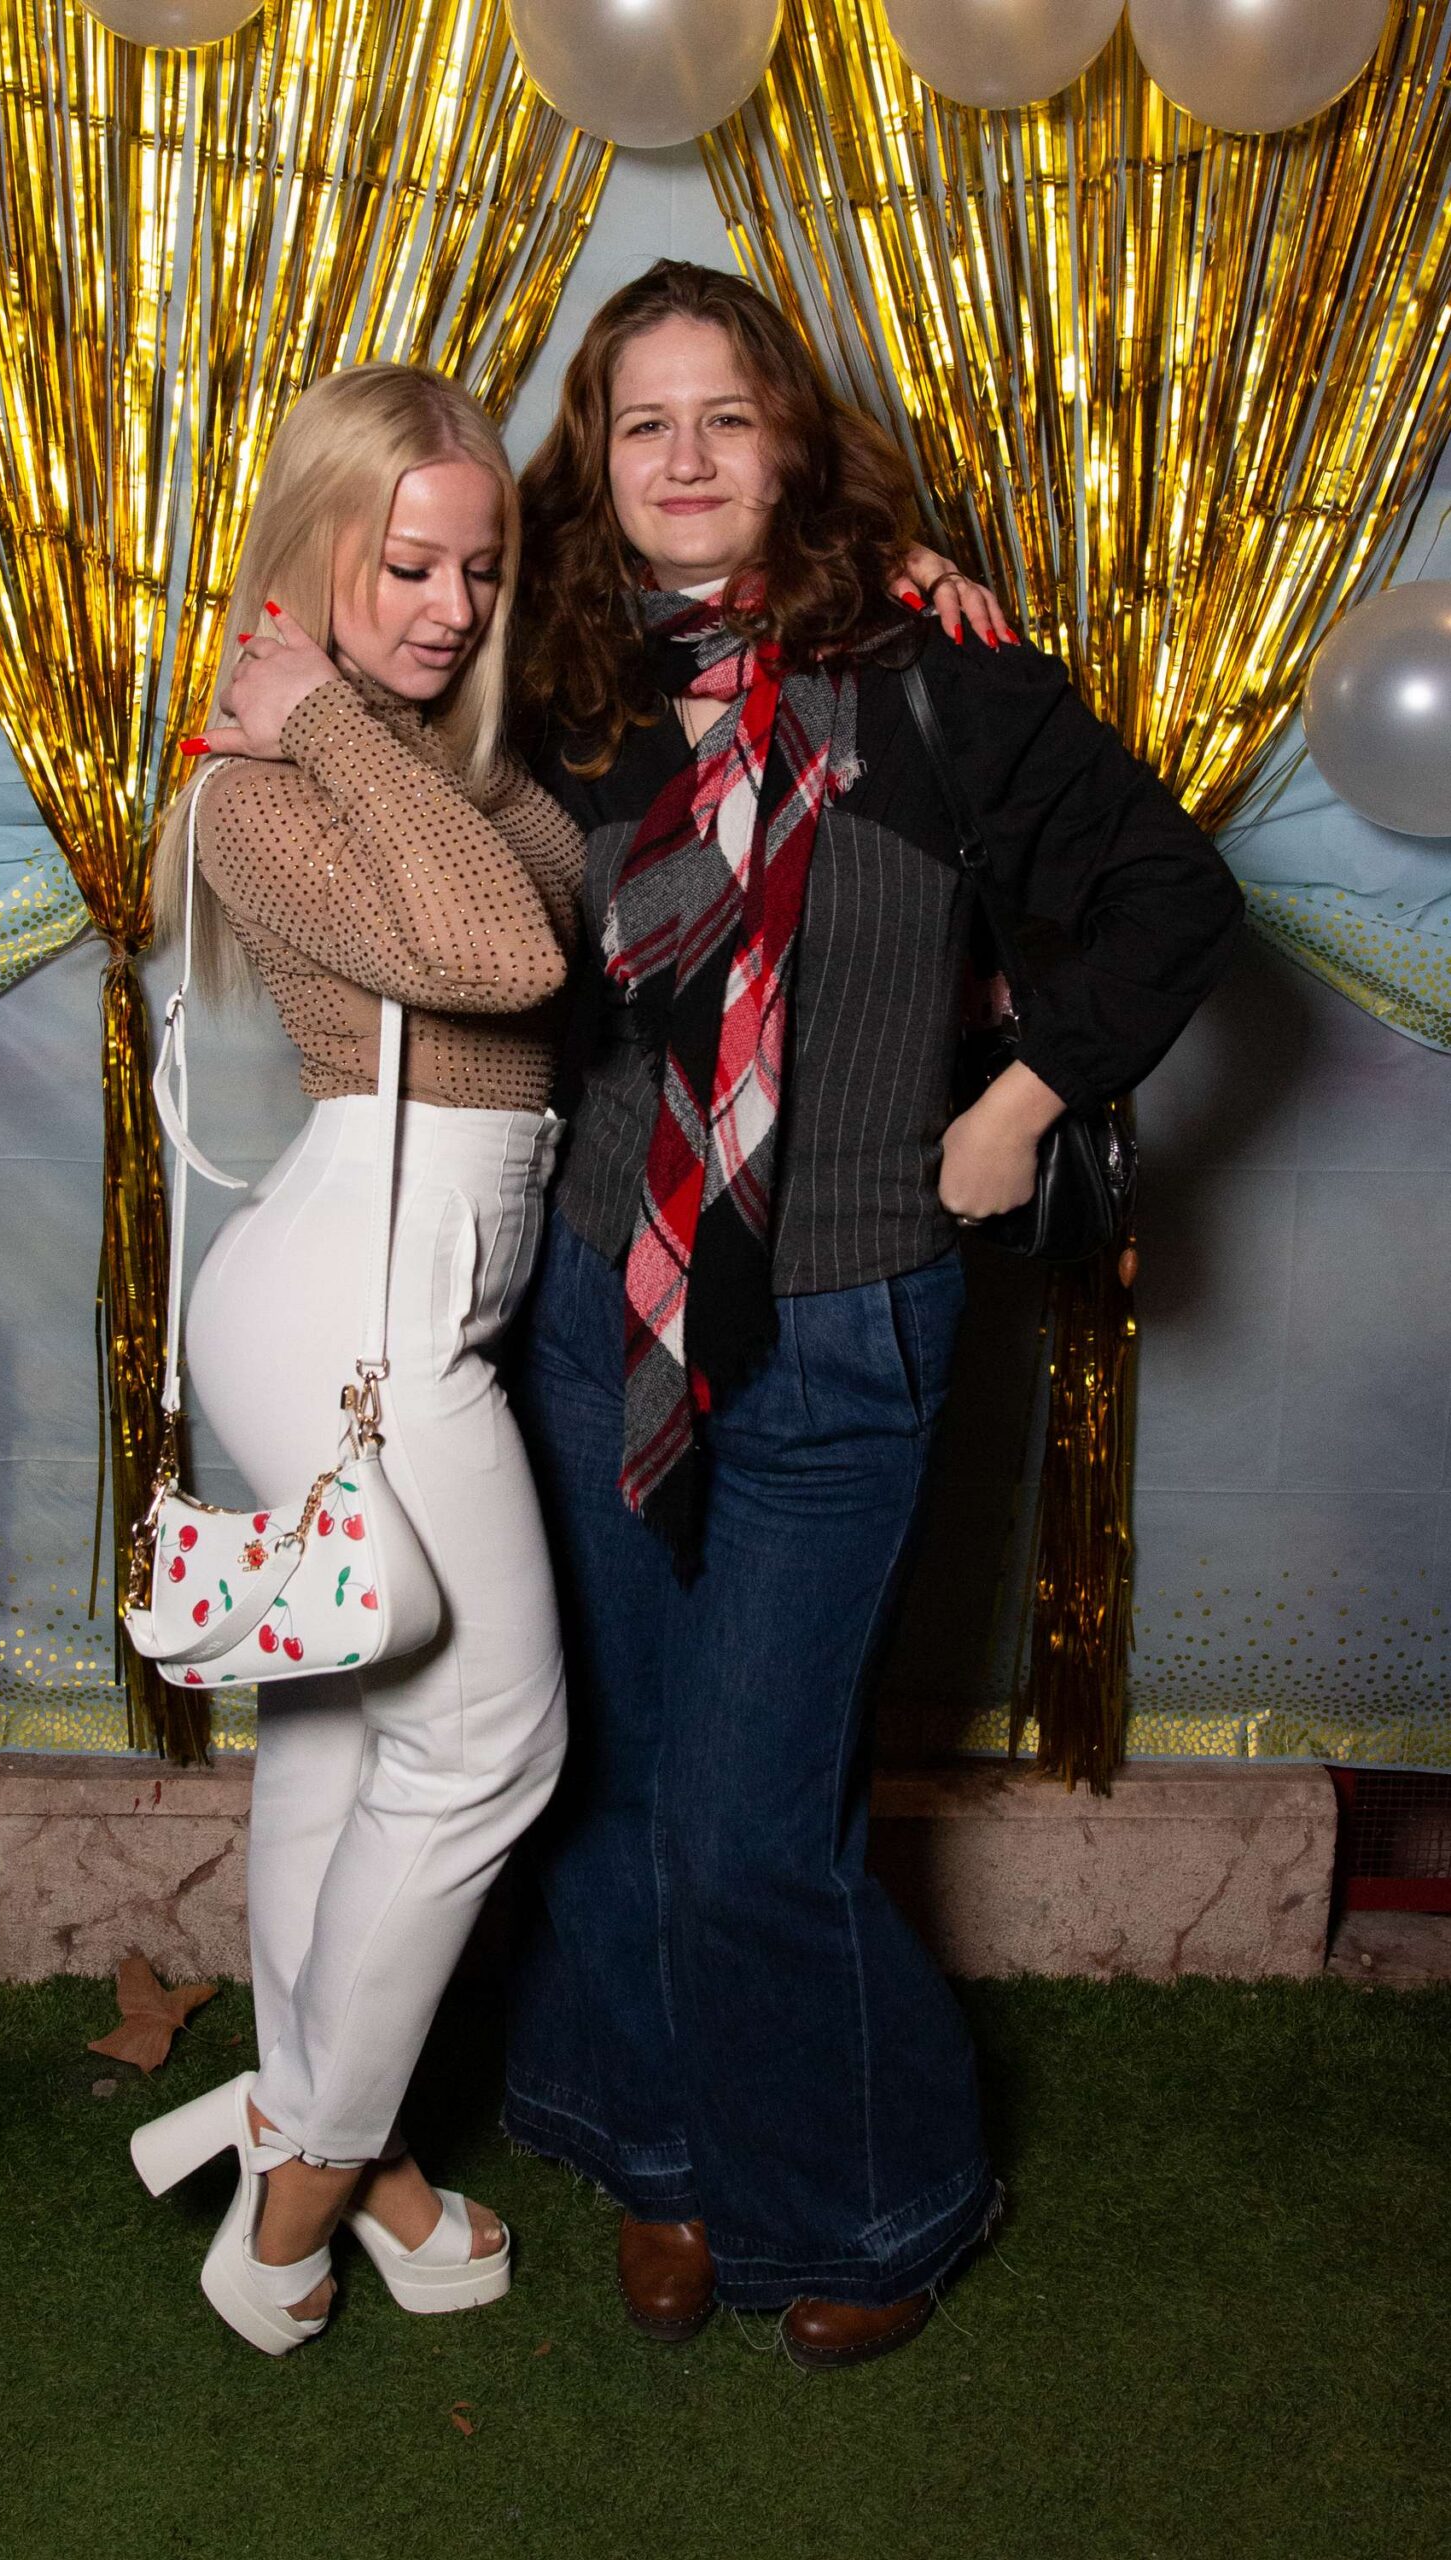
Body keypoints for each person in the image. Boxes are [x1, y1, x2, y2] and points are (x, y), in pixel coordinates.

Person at [503, 261, 1245, 2369]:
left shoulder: (928, 676)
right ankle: (659, 2151)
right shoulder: (553, 683)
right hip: (598, 1306)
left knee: (755, 1816)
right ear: (594, 461)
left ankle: (867, 2197)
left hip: (841, 1327)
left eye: (726, 418)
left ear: (792, 444)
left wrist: (1019, 1102)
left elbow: (1173, 898)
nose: (684, 460)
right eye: (643, 424)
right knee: (613, 1776)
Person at [128, 363, 585, 2355]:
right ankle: (304, 2182)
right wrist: (311, 712)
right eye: (405, 564)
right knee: (491, 1743)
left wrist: (351, 711)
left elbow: (536, 873)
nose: (451, 607)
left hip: (397, 1284)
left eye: (479, 568)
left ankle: (332, 2138)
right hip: (353, 1300)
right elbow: (504, 958)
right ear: (311, 552)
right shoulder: (259, 790)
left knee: (342, 1728)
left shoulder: (419, 766)